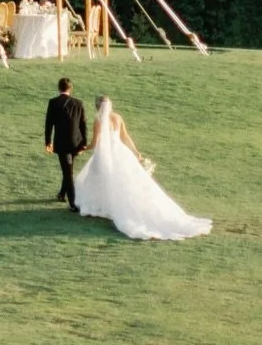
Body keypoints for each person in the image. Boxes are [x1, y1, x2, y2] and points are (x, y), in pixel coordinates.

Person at [74, 95, 212, 241]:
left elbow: (95, 143)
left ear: (97, 107)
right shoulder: (118, 117)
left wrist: (83, 148)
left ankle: (99, 206)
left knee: (97, 178)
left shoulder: (98, 120)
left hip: (105, 155)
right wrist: (135, 151)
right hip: (120, 153)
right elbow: (125, 137)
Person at [44, 76, 89, 211]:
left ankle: (73, 203)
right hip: (76, 142)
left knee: (68, 173)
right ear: (71, 88)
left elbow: (49, 124)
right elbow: (83, 124)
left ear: (59, 88)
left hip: (62, 144)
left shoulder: (53, 102)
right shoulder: (79, 103)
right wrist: (84, 144)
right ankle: (61, 194)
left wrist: (48, 141)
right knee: (68, 169)